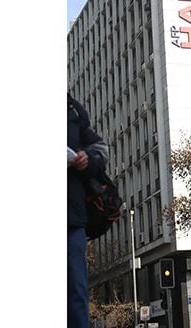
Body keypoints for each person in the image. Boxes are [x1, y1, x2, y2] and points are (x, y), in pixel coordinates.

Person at [68, 94, 106, 328]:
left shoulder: (71, 109)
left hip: (70, 219)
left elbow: (100, 150)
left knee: (75, 290)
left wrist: (87, 160)